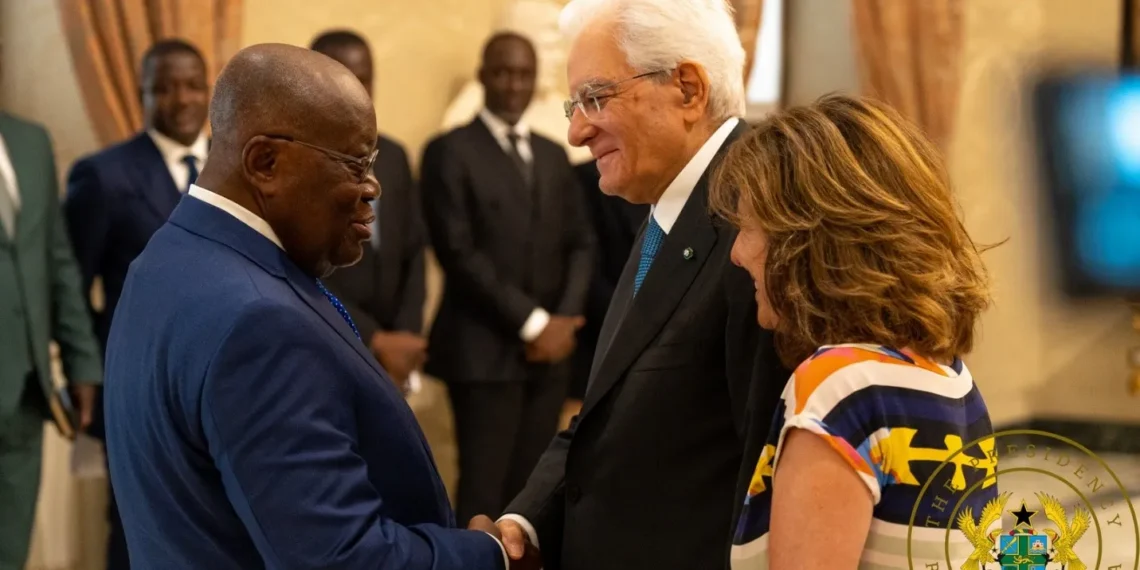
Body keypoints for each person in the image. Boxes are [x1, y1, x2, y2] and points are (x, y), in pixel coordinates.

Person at [103, 43, 536, 570]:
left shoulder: (167, 256)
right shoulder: (258, 324)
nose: (372, 186)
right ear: (265, 162)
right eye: (356, 162)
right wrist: (490, 555)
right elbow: (343, 559)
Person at [494, 1, 789, 569]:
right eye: (575, 104)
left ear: (687, 89)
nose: (577, 131)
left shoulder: (757, 223)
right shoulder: (667, 207)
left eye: (596, 99)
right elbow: (611, 406)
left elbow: (764, 475)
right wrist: (528, 520)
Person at [709, 94, 999, 568]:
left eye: (748, 228)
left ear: (807, 241)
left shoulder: (841, 389)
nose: (737, 254)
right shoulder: (950, 378)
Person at [421, 32, 596, 525]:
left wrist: (562, 321)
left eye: (522, 74)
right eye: (502, 72)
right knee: (483, 489)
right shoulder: (449, 151)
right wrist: (533, 322)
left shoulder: (551, 154)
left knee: (536, 491)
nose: (513, 84)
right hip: (483, 353)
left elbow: (581, 242)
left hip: (551, 357)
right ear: (483, 77)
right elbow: (457, 253)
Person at [64, 38, 210, 570]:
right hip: (137, 379)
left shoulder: (239, 167)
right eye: (164, 87)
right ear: (142, 93)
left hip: (220, 377)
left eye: (193, 84)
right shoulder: (102, 175)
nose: (182, 99)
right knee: (137, 525)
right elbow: (71, 285)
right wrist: (84, 370)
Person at [0, 112, 101, 567]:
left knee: (10, 547)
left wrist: (82, 362)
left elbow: (56, 259)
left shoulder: (31, 141)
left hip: (24, 388)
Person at [310, 30, 428, 395]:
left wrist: (405, 335)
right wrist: (374, 338)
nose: (356, 89)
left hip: (396, 350)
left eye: (364, 78)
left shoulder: (392, 155)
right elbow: (300, 266)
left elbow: (413, 249)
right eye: (343, 76)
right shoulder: (299, 162)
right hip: (327, 340)